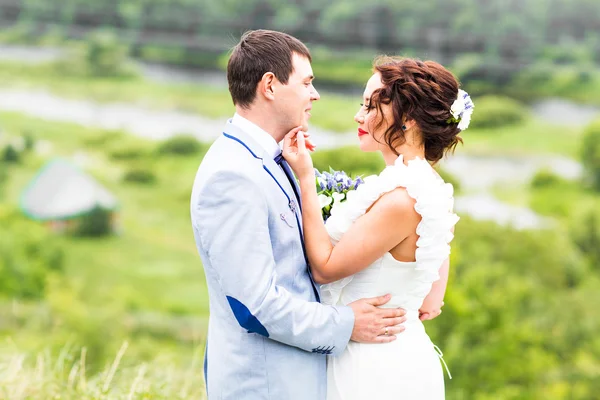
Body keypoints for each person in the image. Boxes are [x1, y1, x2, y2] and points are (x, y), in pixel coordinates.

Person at [190, 30, 407, 400]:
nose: (315, 94)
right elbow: (255, 306)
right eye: (307, 82)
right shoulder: (233, 176)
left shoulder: (273, 158)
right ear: (270, 86)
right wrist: (347, 322)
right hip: (265, 386)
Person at [283, 56, 472, 399]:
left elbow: (325, 269)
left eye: (371, 105)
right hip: (404, 355)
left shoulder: (402, 199)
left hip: (369, 368)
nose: (359, 116)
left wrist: (306, 180)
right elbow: (430, 302)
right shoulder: (432, 189)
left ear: (410, 119)